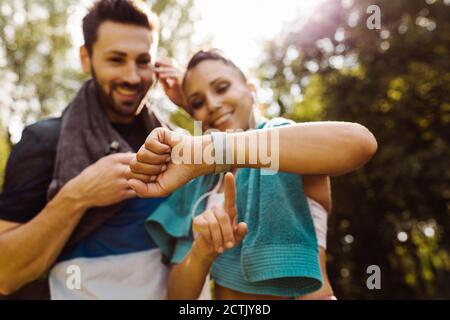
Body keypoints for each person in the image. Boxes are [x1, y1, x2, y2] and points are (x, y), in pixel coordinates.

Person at [128, 50, 378, 299]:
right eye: (197, 103)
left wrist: (212, 150)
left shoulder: (284, 142)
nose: (212, 105)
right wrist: (201, 253)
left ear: (252, 89)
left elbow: (361, 143)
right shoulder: (198, 185)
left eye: (222, 87)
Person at [0, 0, 175, 299]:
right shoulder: (43, 142)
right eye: (116, 60)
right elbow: (4, 273)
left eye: (143, 61)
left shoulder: (172, 141)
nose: (133, 77)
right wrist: (75, 197)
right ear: (86, 58)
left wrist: (195, 101)